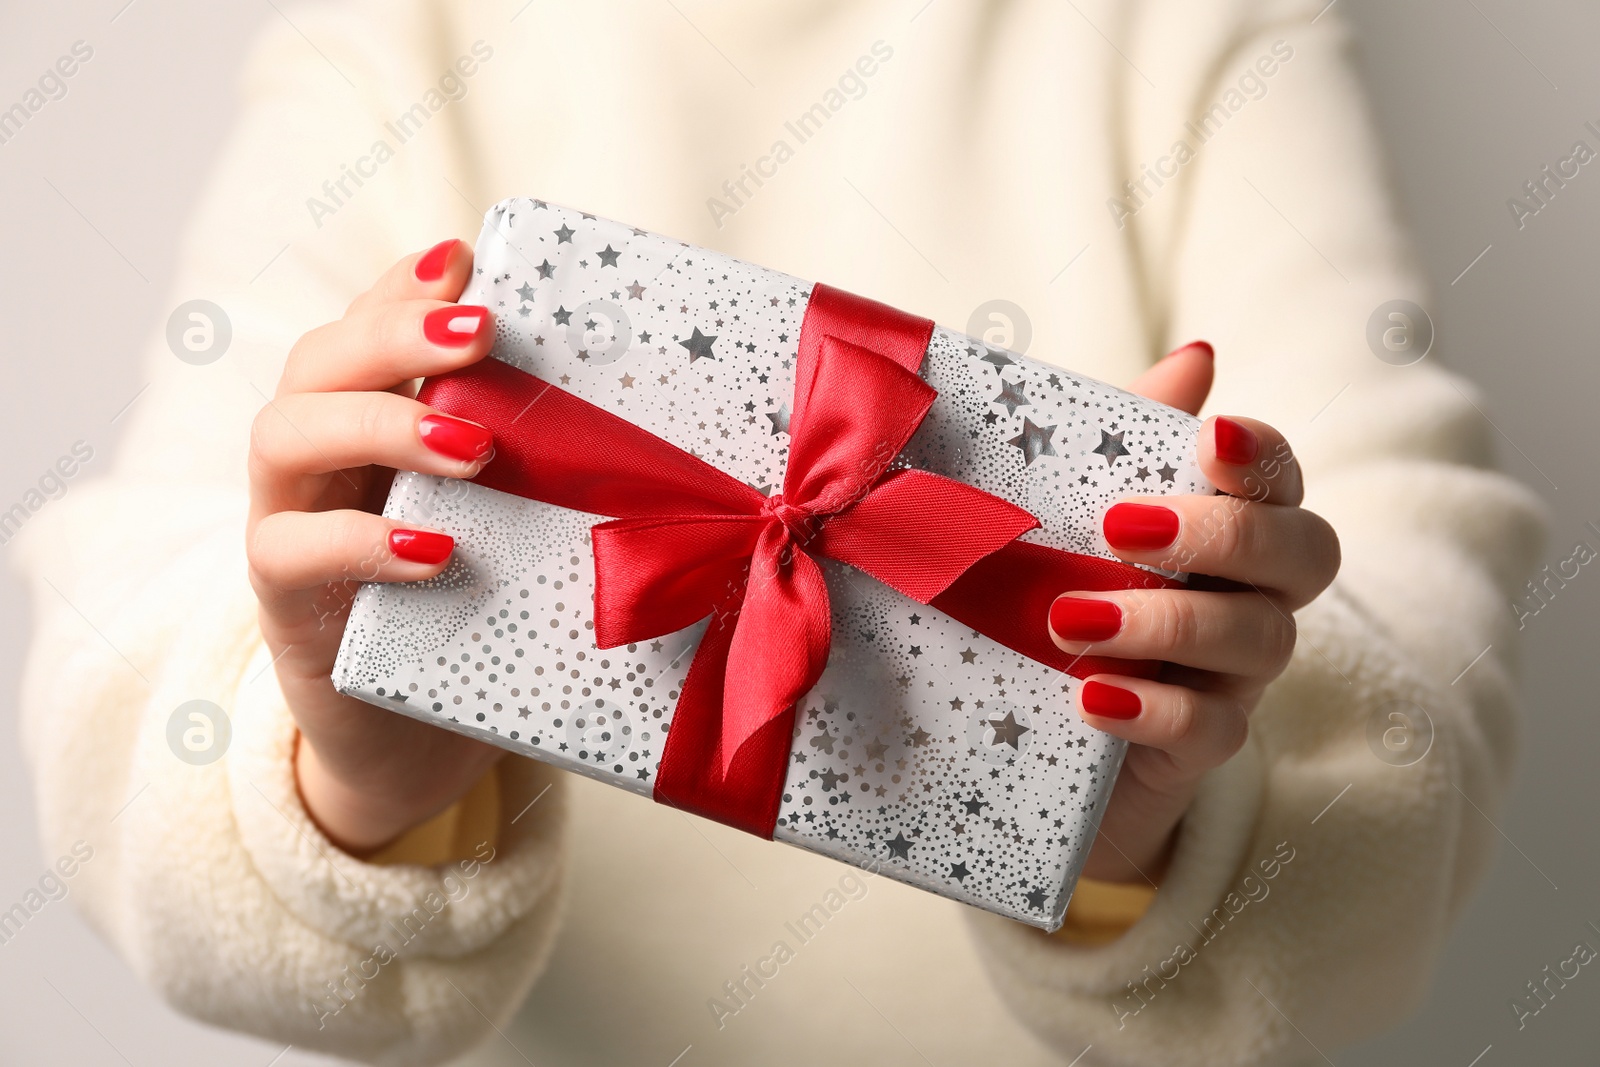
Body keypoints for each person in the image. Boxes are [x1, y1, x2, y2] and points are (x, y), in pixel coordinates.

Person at [14, 1, 1546, 1064]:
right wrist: (348, 771)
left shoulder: (1199, 34)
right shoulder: (391, 48)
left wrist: (1158, 817)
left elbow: (1417, 589)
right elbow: (126, 637)